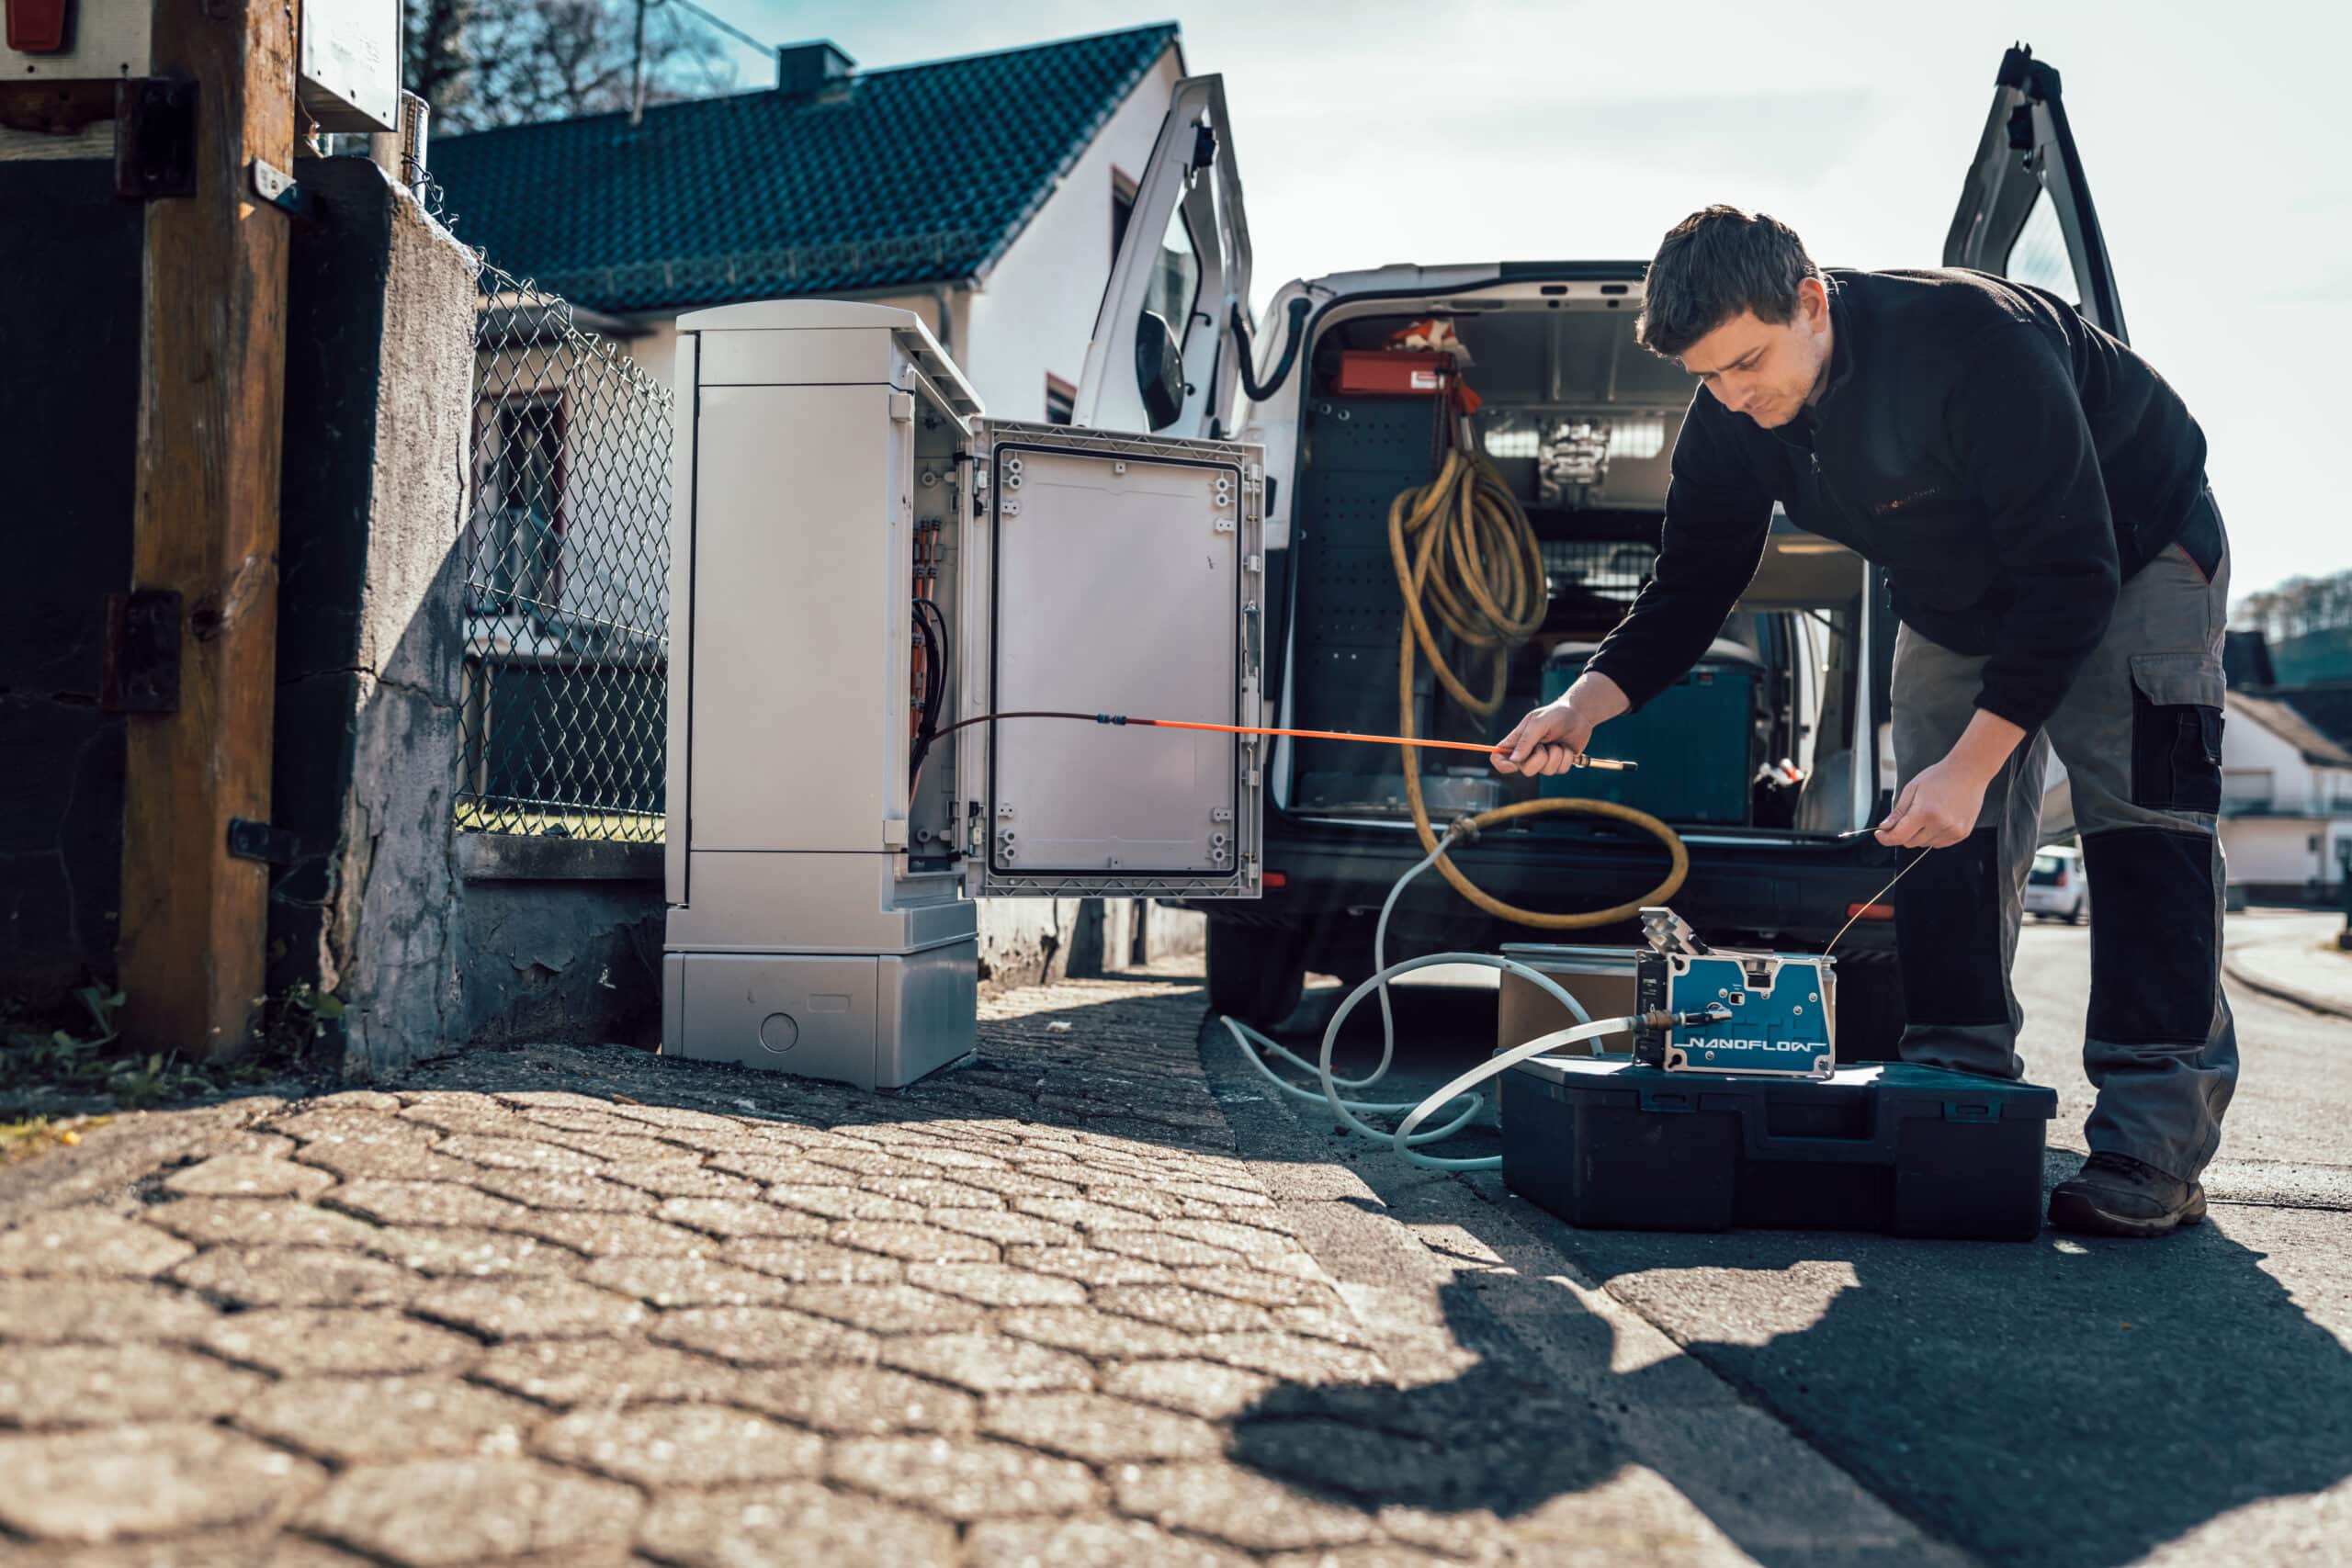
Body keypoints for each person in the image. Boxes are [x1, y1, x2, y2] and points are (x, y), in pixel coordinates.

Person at [1496, 207, 2233, 1238]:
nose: (1735, 395)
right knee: (1932, 832)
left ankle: (2151, 1145)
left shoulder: (1976, 345)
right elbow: (1693, 582)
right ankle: (1955, 1077)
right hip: (1954, 593)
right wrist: (1583, 703)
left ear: (1810, 300)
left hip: (2133, 551)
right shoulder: (1731, 416)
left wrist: (1981, 759)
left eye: (1748, 362)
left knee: (2142, 829)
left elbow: (2071, 576)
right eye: (1709, 376)